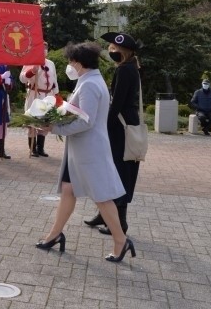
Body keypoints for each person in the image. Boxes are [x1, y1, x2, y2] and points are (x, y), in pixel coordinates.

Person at [35, 42, 135, 262]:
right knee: (68, 190)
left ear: (78, 63)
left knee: (102, 197)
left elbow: (85, 121)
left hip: (89, 150)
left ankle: (121, 240)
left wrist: (55, 127)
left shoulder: (89, 84)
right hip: (82, 150)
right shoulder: (90, 80)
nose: (69, 66)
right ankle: (54, 234)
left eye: (71, 61)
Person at [84, 32, 143, 236]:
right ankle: (105, 214)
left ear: (124, 51)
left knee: (119, 171)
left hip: (121, 126)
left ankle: (120, 221)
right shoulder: (130, 68)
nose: (111, 52)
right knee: (113, 169)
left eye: (114, 49)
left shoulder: (125, 70)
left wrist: (102, 124)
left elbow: (116, 103)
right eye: (110, 48)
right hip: (125, 123)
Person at [19, 41, 59, 157]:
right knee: (33, 122)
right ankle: (33, 149)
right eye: (42, 48)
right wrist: (32, 71)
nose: (45, 50)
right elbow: (22, 78)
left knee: (44, 122)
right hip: (35, 95)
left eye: (46, 48)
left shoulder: (50, 63)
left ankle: (40, 148)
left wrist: (56, 95)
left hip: (48, 96)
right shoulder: (30, 61)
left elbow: (54, 80)